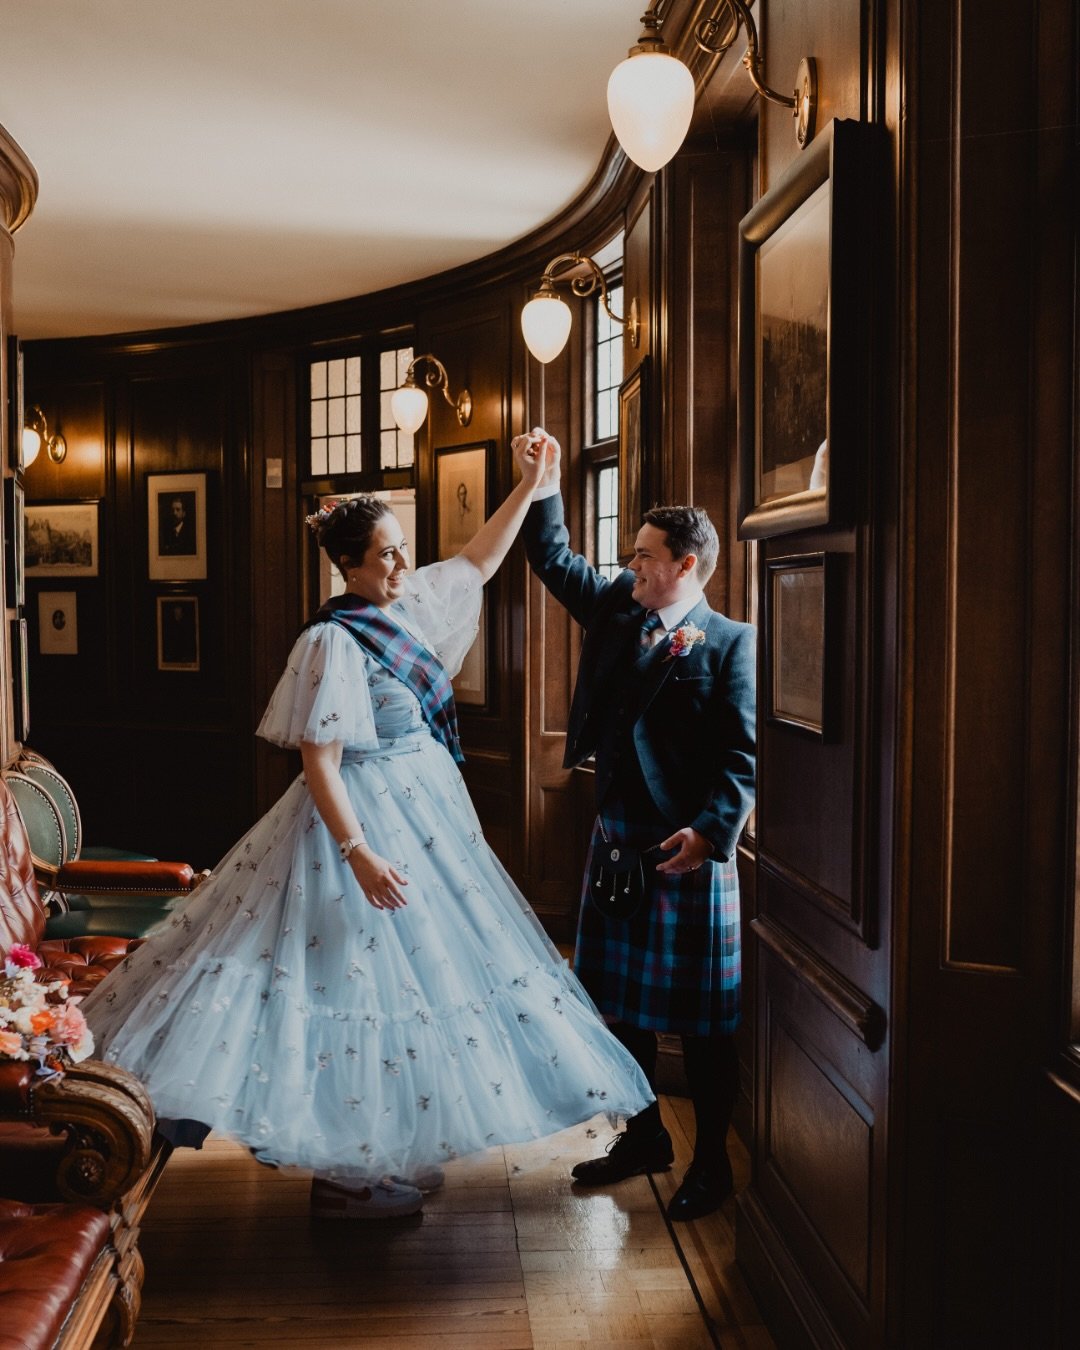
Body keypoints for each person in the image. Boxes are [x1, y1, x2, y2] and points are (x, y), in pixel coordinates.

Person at [84, 437, 653, 1219]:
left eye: (402, 549)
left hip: (427, 814)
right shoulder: (332, 639)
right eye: (385, 554)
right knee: (353, 984)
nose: (401, 564)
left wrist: (532, 484)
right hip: (358, 823)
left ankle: (392, 1149)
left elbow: (479, 561)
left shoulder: (409, 604)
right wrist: (359, 855)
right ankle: (347, 1175)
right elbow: (319, 762)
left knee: (420, 984)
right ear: (348, 567)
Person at [518, 427, 756, 1222]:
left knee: (707, 1026)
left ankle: (712, 1164)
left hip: (688, 852)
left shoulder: (732, 645)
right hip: (616, 838)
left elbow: (744, 757)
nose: (631, 564)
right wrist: (546, 480)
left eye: (646, 556)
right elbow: (552, 557)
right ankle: (646, 1136)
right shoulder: (620, 607)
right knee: (617, 1009)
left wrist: (712, 832)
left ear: (684, 564)